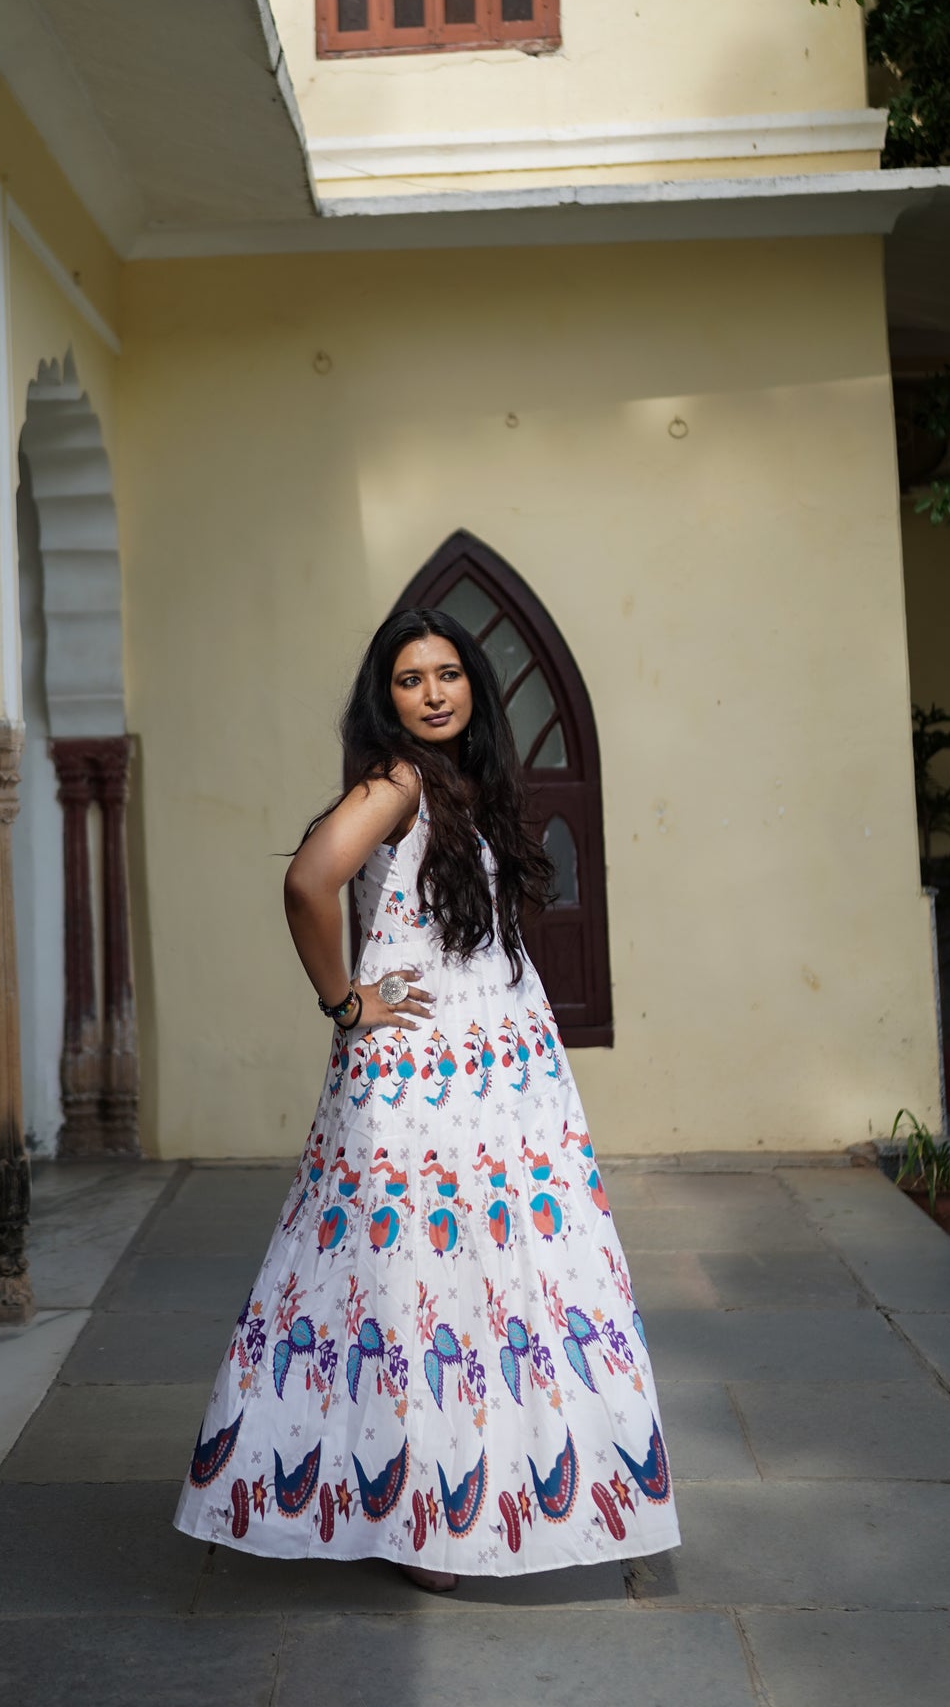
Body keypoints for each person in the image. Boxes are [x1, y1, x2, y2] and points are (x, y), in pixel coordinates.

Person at [174, 607, 680, 1588]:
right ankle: (423, 1511)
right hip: (423, 1074)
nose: (434, 692)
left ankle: (473, 1494)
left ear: (473, 686)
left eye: (448, 672)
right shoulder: (399, 779)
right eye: (411, 679)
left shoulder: (464, 784)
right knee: (420, 1279)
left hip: (496, 1068)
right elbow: (309, 880)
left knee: (482, 1278)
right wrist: (342, 999)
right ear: (386, 697)